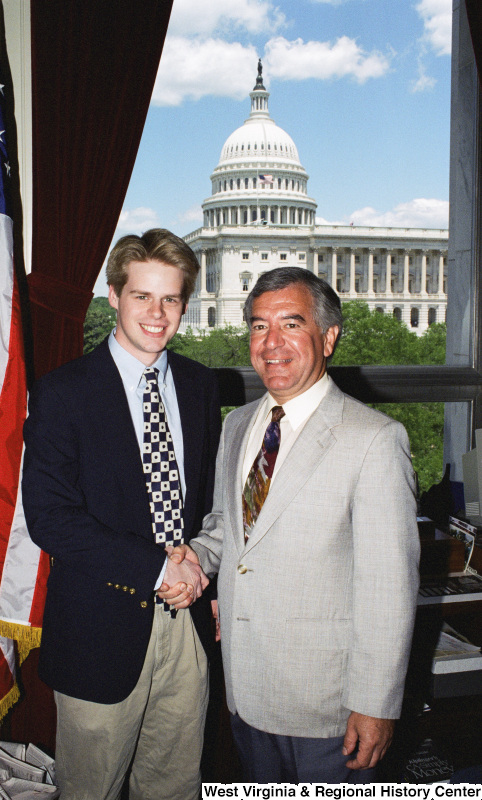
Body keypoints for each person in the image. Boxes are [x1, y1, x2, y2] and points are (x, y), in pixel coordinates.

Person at [161, 266, 420, 784]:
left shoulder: (374, 440)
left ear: (328, 337)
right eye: (259, 326)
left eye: (291, 324)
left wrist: (377, 703)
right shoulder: (237, 424)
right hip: (245, 689)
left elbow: (388, 588)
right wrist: (195, 555)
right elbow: (227, 526)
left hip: (330, 710)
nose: (271, 343)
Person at [22, 229, 221, 800]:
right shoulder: (64, 391)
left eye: (171, 299)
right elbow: (51, 518)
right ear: (114, 296)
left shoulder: (201, 386)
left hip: (185, 629)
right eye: (142, 296)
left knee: (175, 787)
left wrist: (198, 567)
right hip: (98, 633)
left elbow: (205, 504)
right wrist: (159, 569)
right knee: (93, 791)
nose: (157, 314)